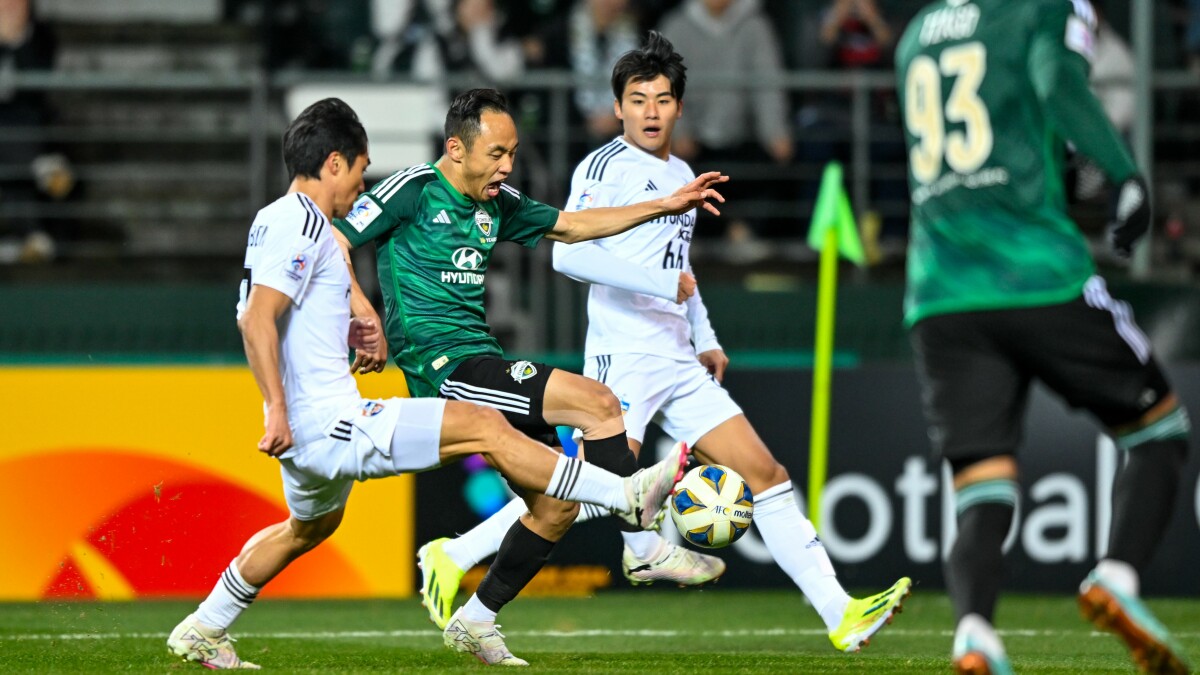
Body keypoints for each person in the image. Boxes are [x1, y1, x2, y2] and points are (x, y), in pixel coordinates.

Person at [412, 32, 913, 655]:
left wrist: (705, 334)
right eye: (637, 99)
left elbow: (681, 266)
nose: (650, 111)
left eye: (663, 99)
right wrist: (658, 284)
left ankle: (841, 613)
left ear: (679, 107)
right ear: (617, 107)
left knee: (765, 474)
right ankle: (460, 553)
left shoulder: (680, 175)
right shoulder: (603, 167)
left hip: (678, 358)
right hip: (624, 356)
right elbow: (568, 256)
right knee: (592, 488)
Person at [164, 97, 691, 670]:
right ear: (336, 163)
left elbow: (570, 225)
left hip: (320, 427)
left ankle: (205, 626)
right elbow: (259, 315)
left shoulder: (284, 219)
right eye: (361, 168)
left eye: (513, 153)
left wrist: (357, 317)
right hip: (354, 409)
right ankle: (627, 499)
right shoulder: (315, 216)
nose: (363, 183)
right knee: (501, 422)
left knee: (308, 529)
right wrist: (277, 407)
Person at [331, 87, 728, 665]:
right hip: (443, 368)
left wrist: (663, 206)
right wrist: (363, 310)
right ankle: (642, 544)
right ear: (456, 149)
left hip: (481, 355)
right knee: (598, 402)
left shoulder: (498, 201)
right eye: (496, 154)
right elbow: (334, 240)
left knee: (555, 506)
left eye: (513, 153)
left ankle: (477, 618)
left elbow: (573, 226)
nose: (507, 166)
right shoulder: (412, 189)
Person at [895, 2, 1192, 673]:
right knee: (1160, 432)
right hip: (1035, 276)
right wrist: (1122, 173)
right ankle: (1116, 577)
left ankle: (975, 633)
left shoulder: (916, 33)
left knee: (982, 485)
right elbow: (1057, 79)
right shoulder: (1043, 4)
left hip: (940, 291)